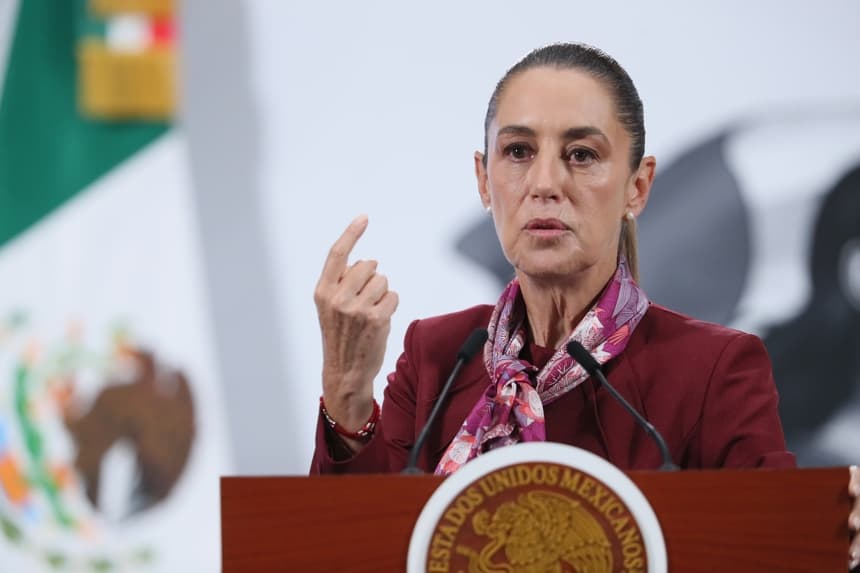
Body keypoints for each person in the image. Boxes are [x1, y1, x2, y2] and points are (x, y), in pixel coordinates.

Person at [307, 43, 860, 568]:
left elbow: (778, 546)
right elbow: (350, 548)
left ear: (637, 189)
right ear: (483, 180)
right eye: (519, 152)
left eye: (582, 154)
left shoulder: (715, 367)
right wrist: (347, 392)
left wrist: (833, 529)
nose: (545, 183)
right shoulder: (439, 353)